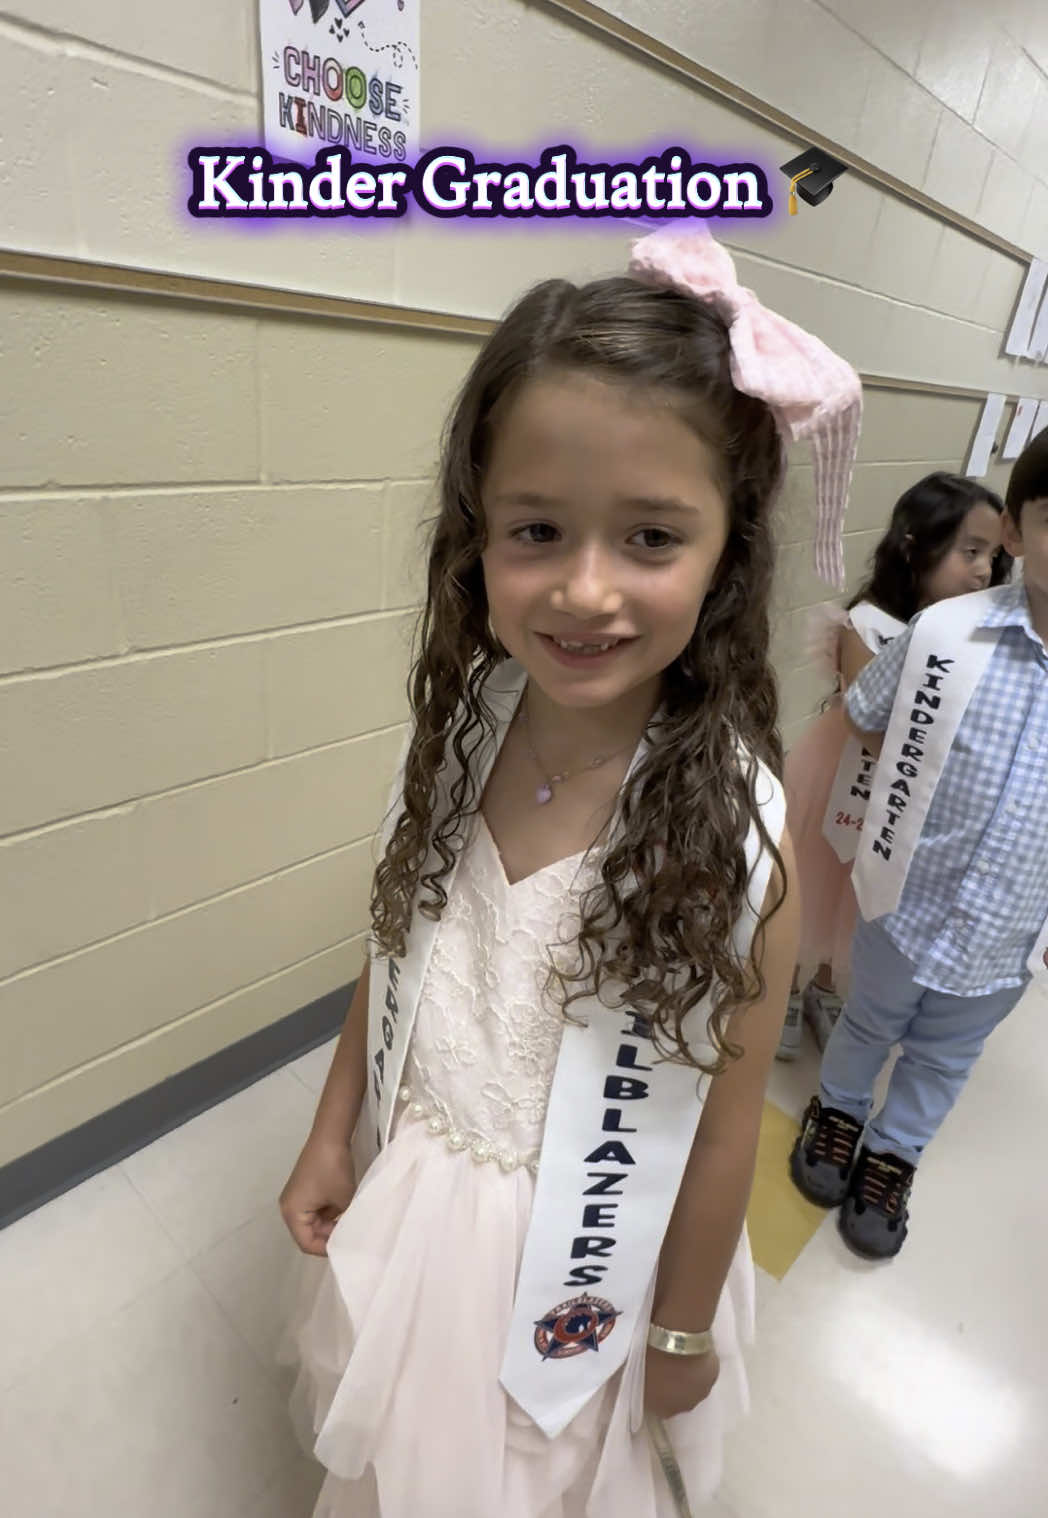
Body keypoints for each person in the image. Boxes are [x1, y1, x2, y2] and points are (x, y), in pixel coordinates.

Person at [277, 224, 863, 1518]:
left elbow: (722, 1125)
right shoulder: (463, 721)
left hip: (586, 1251)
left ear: (725, 558)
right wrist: (333, 1129)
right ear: (474, 535)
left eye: (651, 536)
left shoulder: (734, 835)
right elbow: (398, 945)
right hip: (416, 1182)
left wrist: (679, 1333)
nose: (584, 590)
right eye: (537, 529)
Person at [790, 426, 1048, 1261]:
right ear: (1015, 532)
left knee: (944, 1056)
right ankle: (836, 1111)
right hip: (904, 896)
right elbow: (865, 712)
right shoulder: (945, 633)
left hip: (1006, 933)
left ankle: (893, 1155)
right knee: (869, 1017)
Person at [776, 474, 1010, 1060]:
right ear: (914, 547)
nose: (983, 571)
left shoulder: (972, 635)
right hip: (839, 778)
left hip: (905, 796)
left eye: (993, 555)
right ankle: (784, 986)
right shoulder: (869, 623)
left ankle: (828, 989)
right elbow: (866, 722)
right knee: (812, 880)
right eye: (970, 551)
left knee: (859, 894)